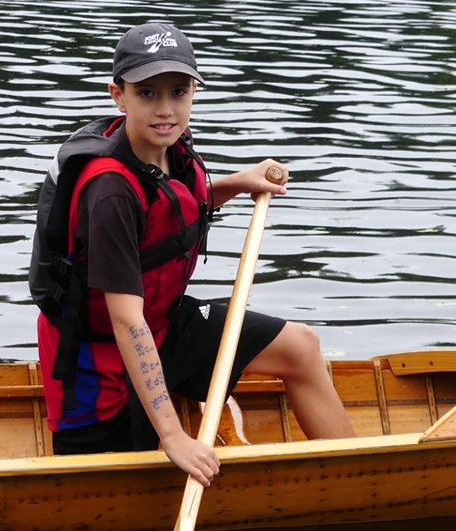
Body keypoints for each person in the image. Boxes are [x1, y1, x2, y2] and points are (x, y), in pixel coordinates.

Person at [29, 22, 354, 486]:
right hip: (97, 360)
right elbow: (125, 320)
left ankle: (353, 473)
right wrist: (173, 434)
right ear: (118, 96)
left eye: (178, 92)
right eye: (147, 94)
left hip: (162, 324)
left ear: (194, 91)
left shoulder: (167, 148)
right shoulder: (109, 191)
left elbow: (167, 215)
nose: (165, 110)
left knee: (301, 348)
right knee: (111, 478)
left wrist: (237, 184)